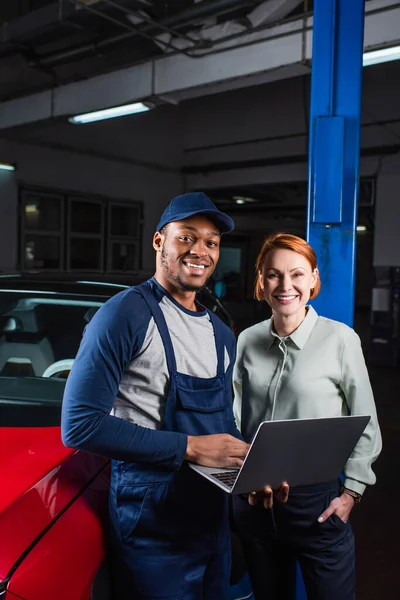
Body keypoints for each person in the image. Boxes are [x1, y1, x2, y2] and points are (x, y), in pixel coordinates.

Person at [61, 192, 251, 600]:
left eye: (212, 242)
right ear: (159, 241)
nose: (200, 250)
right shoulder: (125, 314)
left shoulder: (219, 333)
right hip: (151, 516)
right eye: (187, 237)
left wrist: (250, 470)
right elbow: (80, 425)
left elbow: (222, 422)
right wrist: (193, 447)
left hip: (209, 515)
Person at [232, 232, 382, 600]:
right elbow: (234, 417)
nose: (285, 285)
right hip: (255, 501)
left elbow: (366, 421)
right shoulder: (247, 340)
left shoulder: (340, 339)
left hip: (316, 504)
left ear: (313, 279)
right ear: (261, 281)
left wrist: (352, 492)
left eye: (297, 274)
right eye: (273, 275)